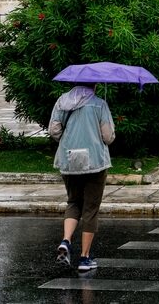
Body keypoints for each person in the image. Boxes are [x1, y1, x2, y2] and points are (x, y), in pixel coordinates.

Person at [48, 83, 115, 272]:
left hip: (69, 160)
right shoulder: (99, 104)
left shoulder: (62, 101)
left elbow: (54, 131)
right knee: (91, 209)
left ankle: (66, 240)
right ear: (93, 85)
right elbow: (108, 137)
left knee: (73, 202)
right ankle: (84, 258)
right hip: (95, 162)